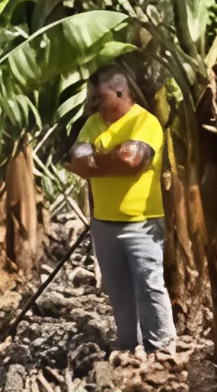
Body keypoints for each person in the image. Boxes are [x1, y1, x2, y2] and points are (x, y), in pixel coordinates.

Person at [65, 65, 177, 353]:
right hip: (103, 223)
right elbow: (78, 162)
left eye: (99, 98)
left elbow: (132, 161)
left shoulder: (145, 122)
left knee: (149, 286)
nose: (94, 104)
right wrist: (112, 161)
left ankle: (161, 348)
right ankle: (129, 345)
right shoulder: (93, 124)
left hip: (142, 223)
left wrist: (97, 162)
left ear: (119, 92)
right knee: (118, 290)